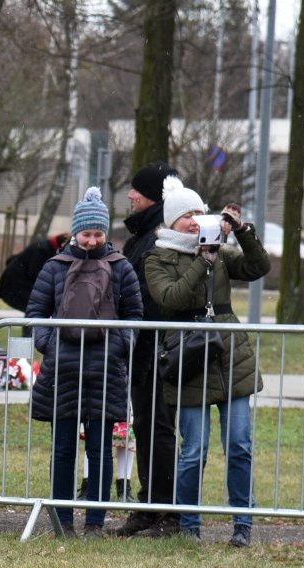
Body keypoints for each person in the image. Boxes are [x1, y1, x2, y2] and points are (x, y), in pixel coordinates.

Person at [143, 182, 271, 546]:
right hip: (189, 358)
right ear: (172, 222)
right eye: (187, 216)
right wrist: (203, 261)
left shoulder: (220, 251)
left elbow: (258, 266)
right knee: (194, 450)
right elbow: (172, 297)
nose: (195, 221)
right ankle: (189, 526)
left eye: (200, 213)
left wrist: (243, 232)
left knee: (239, 444)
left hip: (230, 355)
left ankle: (243, 525)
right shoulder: (158, 257)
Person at [27, 187, 143, 536]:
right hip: (63, 369)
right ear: (75, 232)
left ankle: (95, 521)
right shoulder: (54, 268)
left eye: (98, 233)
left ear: (106, 233)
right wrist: (50, 345)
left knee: (100, 449)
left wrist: (120, 347)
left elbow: (134, 314)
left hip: (105, 369)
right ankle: (62, 520)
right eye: (87, 233)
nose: (92, 240)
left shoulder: (121, 268)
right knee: (63, 447)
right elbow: (36, 313)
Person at [116, 162, 182, 537]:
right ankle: (148, 504)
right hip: (143, 348)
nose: (130, 195)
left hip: (162, 349)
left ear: (155, 196)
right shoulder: (143, 235)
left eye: (137, 190)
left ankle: (167, 509)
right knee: (145, 426)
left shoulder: (163, 236)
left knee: (160, 428)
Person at [0, 233, 67, 312]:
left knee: (33, 308)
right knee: (33, 308)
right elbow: (35, 272)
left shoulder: (46, 246)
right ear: (62, 244)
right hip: (18, 281)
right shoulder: (43, 249)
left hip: (19, 279)